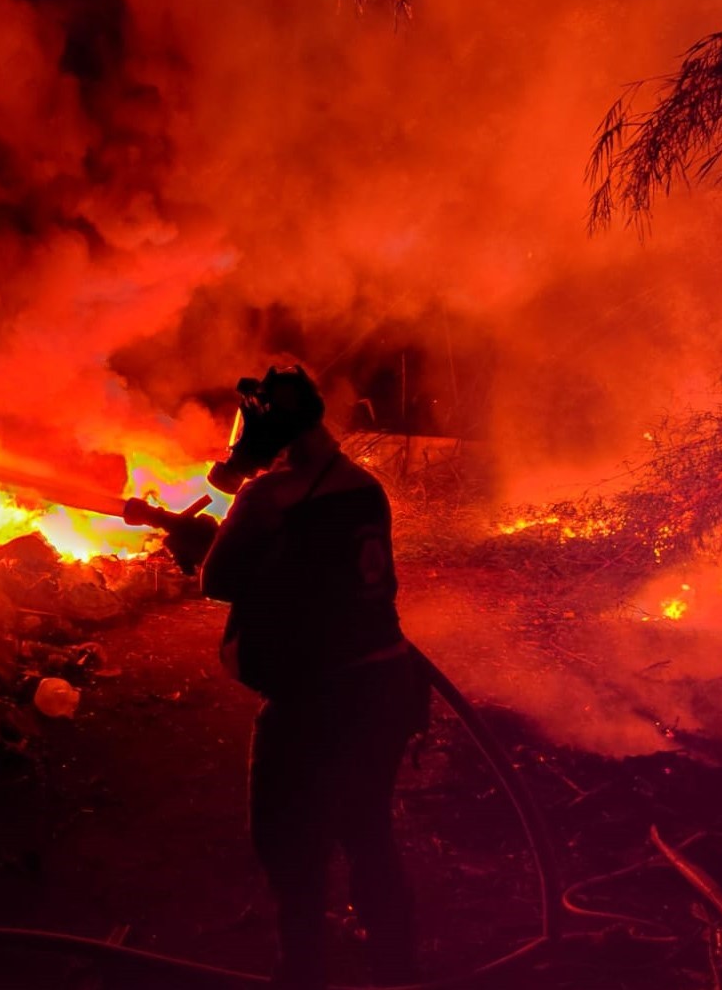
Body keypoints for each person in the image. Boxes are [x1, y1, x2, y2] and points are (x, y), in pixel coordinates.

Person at [199, 366, 430, 990]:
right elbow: (319, 572)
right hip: (386, 685)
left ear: (262, 431)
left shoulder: (267, 497)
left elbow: (216, 580)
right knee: (366, 828)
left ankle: (300, 970)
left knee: (287, 841)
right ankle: (395, 966)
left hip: (314, 700)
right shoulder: (364, 487)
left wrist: (206, 542)